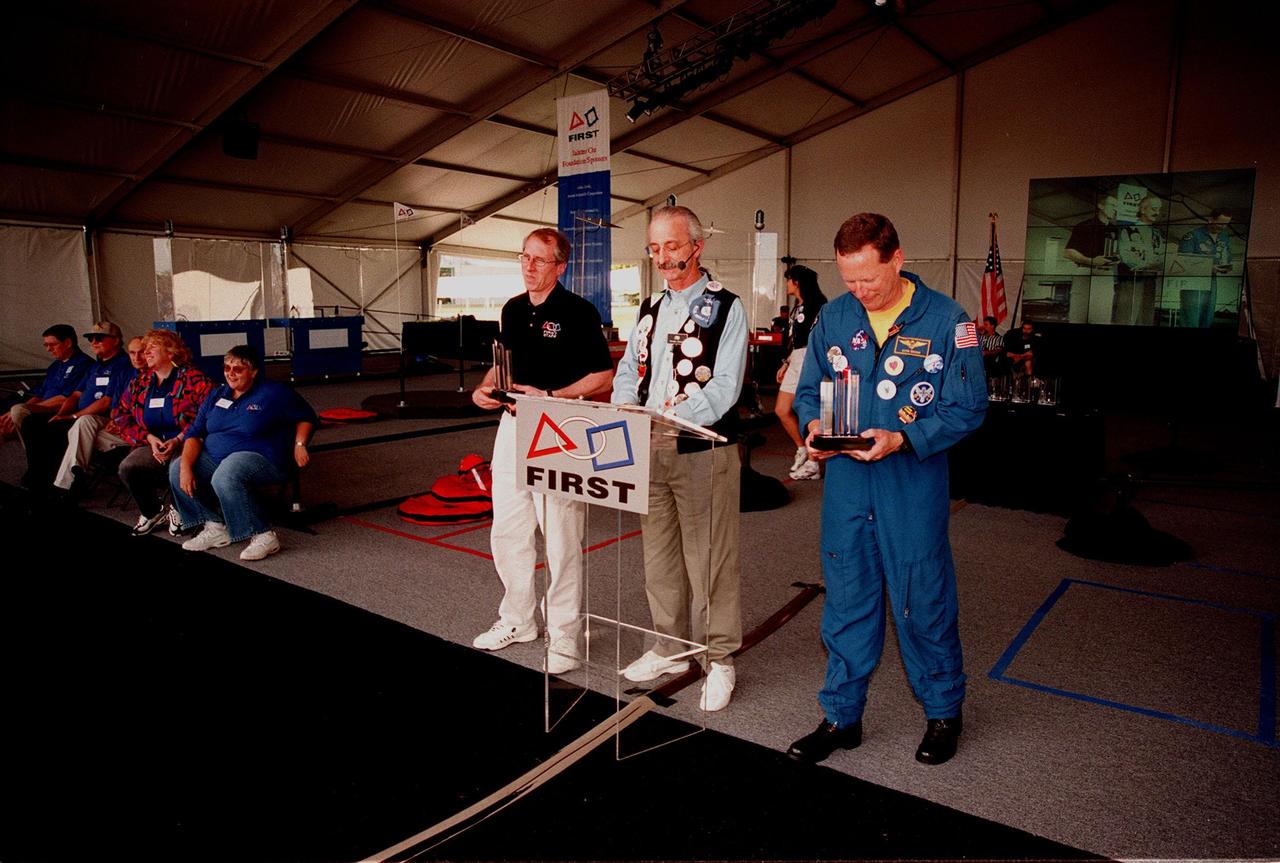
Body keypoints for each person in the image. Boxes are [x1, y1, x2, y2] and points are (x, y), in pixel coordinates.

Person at [787, 213, 986, 765]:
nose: (860, 291)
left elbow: (967, 407)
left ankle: (944, 710)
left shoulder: (948, 320)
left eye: (868, 279)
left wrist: (904, 437)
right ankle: (841, 717)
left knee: (921, 598)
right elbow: (812, 390)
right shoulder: (833, 316)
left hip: (911, 483)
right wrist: (814, 429)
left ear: (897, 259)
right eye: (849, 280)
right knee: (847, 599)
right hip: (848, 485)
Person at [612, 205, 748, 712]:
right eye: (654, 247)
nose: (663, 257)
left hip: (701, 449)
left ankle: (719, 660)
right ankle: (670, 647)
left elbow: (726, 387)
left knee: (710, 560)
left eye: (672, 246)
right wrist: (627, 408)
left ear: (697, 246)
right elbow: (628, 368)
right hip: (648, 449)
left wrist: (671, 418)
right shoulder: (649, 308)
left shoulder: (727, 306)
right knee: (659, 558)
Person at [470, 228, 614, 674]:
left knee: (560, 538)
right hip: (513, 424)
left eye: (539, 259)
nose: (529, 266)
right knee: (508, 530)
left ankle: (566, 636)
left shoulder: (578, 312)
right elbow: (502, 366)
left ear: (560, 266)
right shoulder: (512, 310)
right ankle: (518, 619)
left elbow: (602, 377)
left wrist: (553, 394)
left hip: (558, 428)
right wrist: (485, 387)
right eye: (525, 257)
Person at [170, 345, 316, 561]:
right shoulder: (217, 394)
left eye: (237, 369)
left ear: (254, 371)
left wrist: (300, 444)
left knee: (228, 471)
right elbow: (195, 434)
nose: (230, 373)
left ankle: (263, 535)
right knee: (176, 468)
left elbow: (307, 417)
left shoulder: (274, 393)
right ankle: (215, 526)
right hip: (218, 458)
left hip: (265, 458)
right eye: (227, 368)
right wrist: (185, 468)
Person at [114, 330, 213, 535]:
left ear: (171, 352)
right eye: (145, 348)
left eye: (152, 348)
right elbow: (120, 415)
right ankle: (152, 512)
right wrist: (148, 438)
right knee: (128, 467)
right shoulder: (139, 383)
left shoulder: (193, 379)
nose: (145, 352)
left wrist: (178, 439)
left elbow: (207, 415)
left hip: (187, 441)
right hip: (153, 442)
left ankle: (180, 509)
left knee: (177, 466)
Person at [23, 322, 132, 492]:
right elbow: (75, 395)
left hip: (101, 418)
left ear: (116, 341)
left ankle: (58, 482)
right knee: (33, 422)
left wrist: (73, 416)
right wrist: (61, 413)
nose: (94, 342)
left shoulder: (123, 364)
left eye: (99, 338)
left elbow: (106, 401)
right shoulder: (96, 365)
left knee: (56, 430)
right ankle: (39, 474)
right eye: (91, 338)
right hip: (81, 414)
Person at [774, 264, 827, 480]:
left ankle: (815, 462)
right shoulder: (796, 307)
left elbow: (817, 338)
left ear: (797, 282)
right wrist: (786, 363)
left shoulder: (820, 306)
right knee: (781, 409)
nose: (786, 284)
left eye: (788, 280)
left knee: (810, 408)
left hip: (811, 358)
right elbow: (794, 340)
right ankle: (802, 448)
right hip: (795, 358)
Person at [1, 324, 92, 443]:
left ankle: (36, 455)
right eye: (46, 345)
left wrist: (26, 409)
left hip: (58, 412)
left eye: (53, 345)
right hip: (40, 409)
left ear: (68, 343)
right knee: (7, 419)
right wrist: (13, 414)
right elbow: (39, 394)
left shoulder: (83, 364)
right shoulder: (55, 366)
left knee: (16, 412)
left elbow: (64, 399)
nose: (48, 349)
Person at [1177, 208, 1233, 328]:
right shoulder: (1192, 236)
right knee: (1191, 319)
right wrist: (1208, 267)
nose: (1223, 227)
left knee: (1207, 317)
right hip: (1193, 283)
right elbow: (1182, 262)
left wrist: (1226, 266)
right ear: (1210, 220)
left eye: (1226, 224)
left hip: (1212, 281)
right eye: (1220, 223)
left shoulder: (1224, 237)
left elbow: (1226, 255)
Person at [1113, 194, 1164, 325]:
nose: (1157, 213)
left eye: (1159, 209)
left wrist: (1155, 265)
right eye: (1154, 209)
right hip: (1131, 280)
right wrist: (1146, 265)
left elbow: (1161, 255)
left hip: (1150, 280)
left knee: (1146, 317)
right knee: (1126, 317)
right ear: (1143, 210)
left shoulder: (1157, 233)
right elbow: (1125, 255)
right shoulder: (1128, 230)